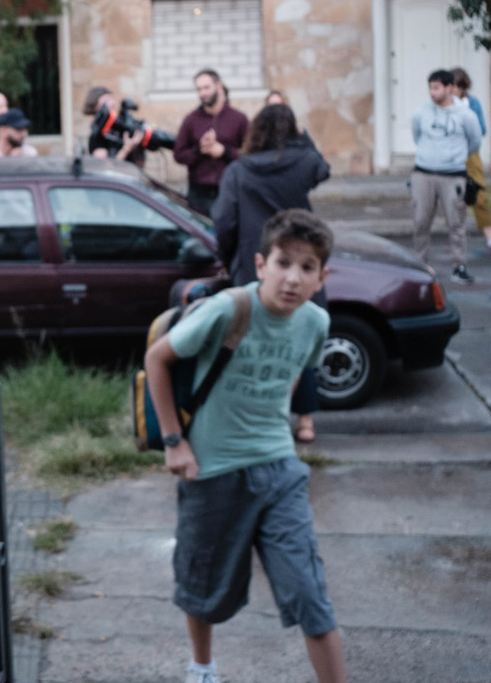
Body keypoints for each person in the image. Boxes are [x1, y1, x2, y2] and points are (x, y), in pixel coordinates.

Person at [142, 209, 346, 683]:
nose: (293, 278)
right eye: (283, 263)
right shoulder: (229, 309)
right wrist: (175, 442)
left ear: (322, 277)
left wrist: (272, 424)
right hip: (212, 471)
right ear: (260, 265)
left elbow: (294, 375)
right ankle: (203, 666)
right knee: (203, 585)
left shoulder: (315, 322)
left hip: (279, 471)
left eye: (307, 267)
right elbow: (157, 358)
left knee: (309, 593)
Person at [210, 103, 330, 443]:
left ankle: (257, 418)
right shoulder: (304, 161)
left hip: (257, 268)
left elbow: (224, 221)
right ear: (292, 131)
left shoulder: (238, 170)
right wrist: (305, 139)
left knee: (255, 345)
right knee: (301, 339)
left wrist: (228, 257)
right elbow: (324, 170)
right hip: (302, 263)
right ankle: (305, 422)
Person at [412, 69, 482, 283]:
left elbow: (474, 142)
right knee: (420, 222)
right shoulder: (422, 113)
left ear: (450, 88)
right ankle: (419, 265)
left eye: (437, 87)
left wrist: (452, 159)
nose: (432, 92)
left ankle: (459, 266)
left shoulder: (466, 115)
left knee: (456, 223)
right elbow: (417, 135)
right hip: (423, 174)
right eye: (430, 88)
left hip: (453, 176)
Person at [451, 67, 491, 257]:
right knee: (452, 198)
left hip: (471, 155)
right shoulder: (444, 104)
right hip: (451, 156)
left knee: (479, 196)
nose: (450, 90)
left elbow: (481, 129)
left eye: (454, 86)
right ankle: (456, 241)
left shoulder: (472, 103)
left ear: (462, 86)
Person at [174, 69, 250, 215]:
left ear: (218, 86)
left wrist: (224, 152)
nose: (203, 93)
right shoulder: (191, 120)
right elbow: (179, 155)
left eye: (206, 87)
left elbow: (250, 155)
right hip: (199, 193)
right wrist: (200, 150)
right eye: (199, 89)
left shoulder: (239, 119)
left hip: (231, 190)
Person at [83, 86, 144, 164]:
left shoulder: (116, 130)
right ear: (96, 105)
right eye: (107, 100)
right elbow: (106, 168)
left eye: (111, 99)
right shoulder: (97, 137)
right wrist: (127, 148)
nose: (112, 103)